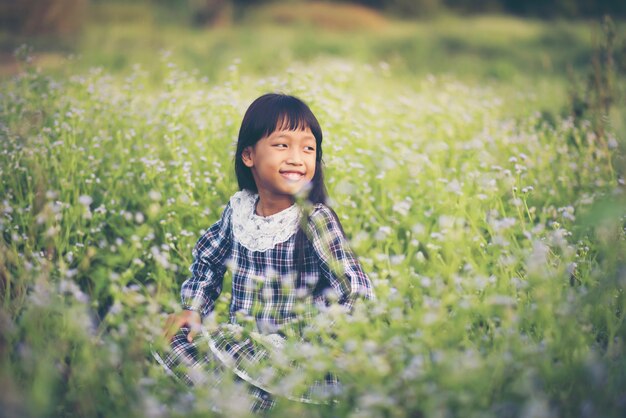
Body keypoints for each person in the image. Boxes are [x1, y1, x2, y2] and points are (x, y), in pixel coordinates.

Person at [155, 93, 374, 412]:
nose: (297, 158)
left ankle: (255, 404)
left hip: (296, 354)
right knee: (167, 336)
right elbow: (209, 261)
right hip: (244, 345)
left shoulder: (314, 218)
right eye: (282, 145)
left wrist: (340, 339)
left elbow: (355, 287)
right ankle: (240, 402)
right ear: (248, 155)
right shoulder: (239, 209)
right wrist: (194, 308)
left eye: (308, 148)